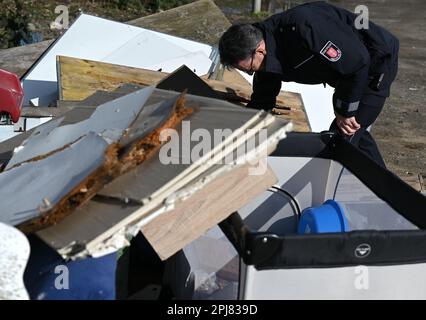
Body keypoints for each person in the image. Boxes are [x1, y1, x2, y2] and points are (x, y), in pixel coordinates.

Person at [219, 1, 399, 167]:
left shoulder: (306, 29)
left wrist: (345, 111)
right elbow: (264, 92)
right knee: (356, 136)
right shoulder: (264, 45)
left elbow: (357, 63)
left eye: (250, 69)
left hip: (374, 64)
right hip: (346, 69)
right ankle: (390, 192)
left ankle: (380, 194)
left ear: (259, 50)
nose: (253, 73)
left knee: (340, 140)